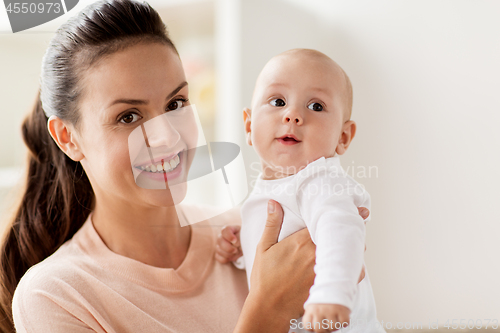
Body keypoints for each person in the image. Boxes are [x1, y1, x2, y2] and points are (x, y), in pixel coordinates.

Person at [0, 1, 369, 332]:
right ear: (68, 138)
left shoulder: (248, 235)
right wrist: (266, 313)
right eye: (128, 116)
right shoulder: (56, 296)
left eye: (176, 104)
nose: (165, 137)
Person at [215, 49, 384, 333]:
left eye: (316, 106)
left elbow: (341, 232)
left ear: (343, 137)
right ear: (248, 125)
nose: (293, 115)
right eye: (278, 101)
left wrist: (331, 293)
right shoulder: (271, 188)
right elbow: (276, 258)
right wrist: (241, 249)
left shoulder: (319, 181)